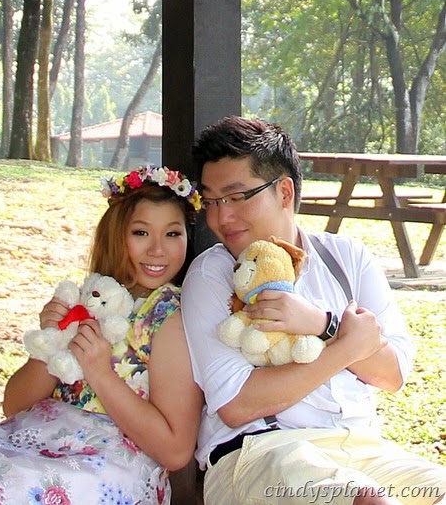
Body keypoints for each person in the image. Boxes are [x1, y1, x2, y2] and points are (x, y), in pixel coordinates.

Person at [181, 116, 446, 505]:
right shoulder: (212, 275)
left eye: (236, 197)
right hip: (260, 452)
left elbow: (392, 375)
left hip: (363, 449)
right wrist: (345, 348)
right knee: (367, 501)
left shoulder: (347, 257)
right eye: (212, 201)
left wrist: (322, 324)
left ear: (284, 192)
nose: (221, 217)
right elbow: (238, 405)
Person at [0, 165, 203, 505]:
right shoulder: (89, 300)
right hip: (40, 439)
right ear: (115, 235)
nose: (158, 249)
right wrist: (51, 342)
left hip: (106, 466)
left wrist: (100, 373)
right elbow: (15, 405)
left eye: (173, 234)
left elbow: (175, 450)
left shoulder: (168, 317)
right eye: (141, 232)